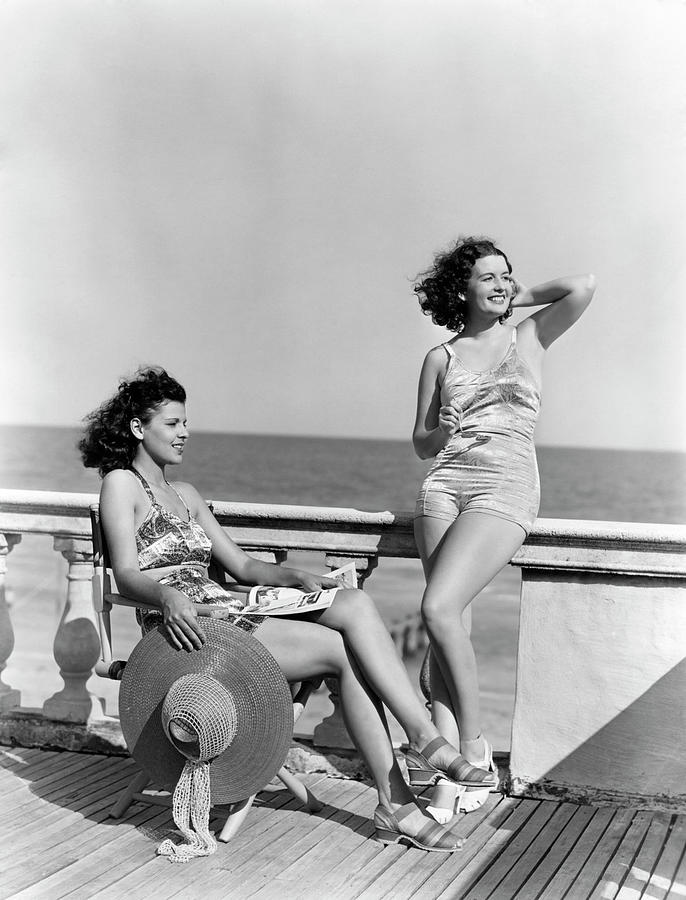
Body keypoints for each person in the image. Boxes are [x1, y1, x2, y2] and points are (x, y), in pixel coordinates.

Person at [79, 366, 498, 852]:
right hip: (182, 636)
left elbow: (239, 564)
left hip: (224, 613)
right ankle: (403, 789)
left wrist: (295, 577)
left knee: (355, 602)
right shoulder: (121, 484)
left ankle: (420, 748)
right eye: (172, 424)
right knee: (343, 654)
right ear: (138, 428)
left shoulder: (186, 495)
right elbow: (127, 573)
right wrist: (169, 596)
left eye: (185, 422)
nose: (185, 433)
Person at [411, 236, 596, 822]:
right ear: (460, 290)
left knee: (436, 609)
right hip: (444, 486)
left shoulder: (530, 335)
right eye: (486, 278)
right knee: (448, 626)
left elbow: (582, 286)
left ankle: (471, 749)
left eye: (505, 276)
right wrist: (440, 430)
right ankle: (450, 781)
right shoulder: (441, 357)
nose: (499, 285)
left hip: (506, 485)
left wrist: (519, 296)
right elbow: (421, 443)